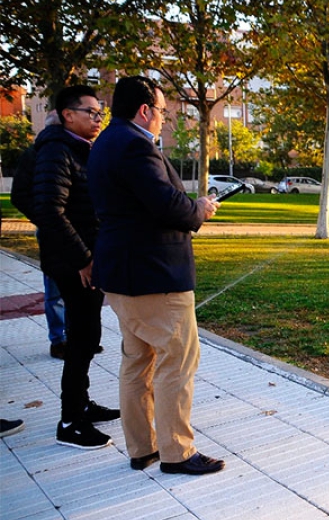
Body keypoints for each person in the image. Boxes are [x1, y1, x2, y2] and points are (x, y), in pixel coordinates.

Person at [88, 76, 224, 475]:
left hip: (122, 274)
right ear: (145, 110)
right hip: (154, 275)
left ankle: (142, 447)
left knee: (137, 359)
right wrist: (198, 207)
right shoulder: (135, 146)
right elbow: (167, 206)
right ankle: (177, 452)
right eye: (162, 111)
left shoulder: (105, 144)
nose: (164, 119)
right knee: (177, 360)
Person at [31, 85, 120, 450]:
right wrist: (82, 257)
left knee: (87, 338)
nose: (98, 119)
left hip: (83, 258)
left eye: (101, 114)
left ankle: (81, 403)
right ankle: (70, 421)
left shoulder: (74, 148)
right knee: (81, 338)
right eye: (91, 112)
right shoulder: (56, 150)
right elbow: (47, 208)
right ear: (68, 114)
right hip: (75, 263)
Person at [10, 111, 68, 360]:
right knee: (55, 288)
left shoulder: (75, 151)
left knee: (78, 288)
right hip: (52, 231)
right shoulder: (33, 155)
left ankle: (77, 338)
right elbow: (19, 195)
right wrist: (43, 217)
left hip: (78, 231)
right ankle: (59, 339)